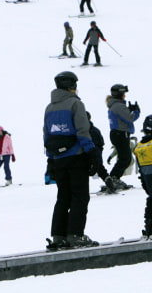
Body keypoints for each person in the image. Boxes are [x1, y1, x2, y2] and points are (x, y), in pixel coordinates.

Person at [44, 71, 100, 249]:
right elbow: (83, 130)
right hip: (76, 156)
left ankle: (58, 236)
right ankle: (75, 235)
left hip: (57, 158)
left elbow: (47, 134)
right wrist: (92, 153)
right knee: (80, 197)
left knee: (63, 197)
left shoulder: (49, 107)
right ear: (72, 86)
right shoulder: (76, 104)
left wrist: (50, 159)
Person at [107, 84, 140, 190]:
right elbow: (130, 118)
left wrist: (129, 110)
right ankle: (113, 178)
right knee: (125, 158)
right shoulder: (118, 106)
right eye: (123, 94)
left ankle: (114, 178)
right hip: (120, 134)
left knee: (124, 158)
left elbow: (124, 117)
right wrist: (136, 111)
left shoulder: (116, 105)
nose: (125, 96)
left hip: (118, 133)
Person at [87, 111, 116, 193]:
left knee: (83, 170)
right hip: (97, 152)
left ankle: (81, 189)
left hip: (87, 153)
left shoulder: (82, 130)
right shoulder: (95, 130)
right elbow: (101, 143)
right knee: (100, 169)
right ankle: (109, 182)